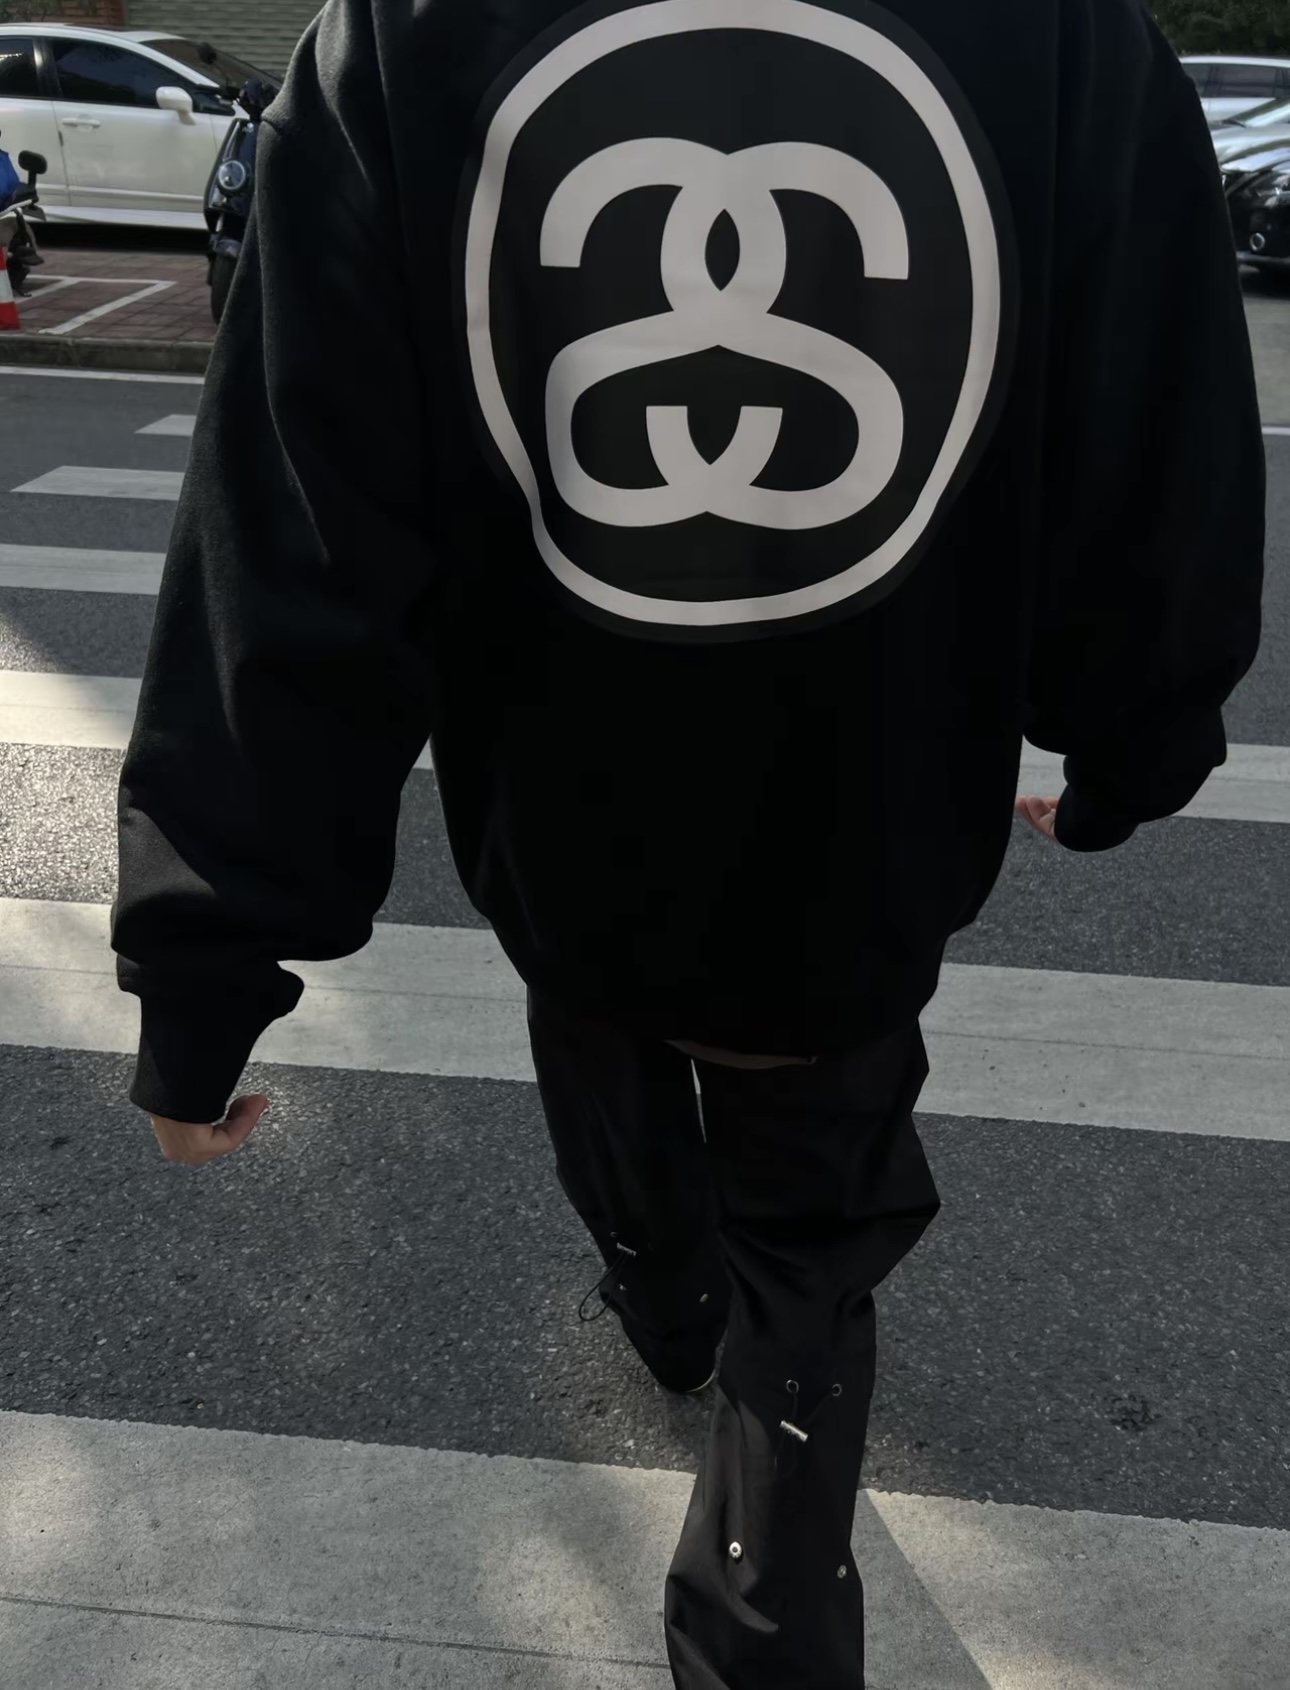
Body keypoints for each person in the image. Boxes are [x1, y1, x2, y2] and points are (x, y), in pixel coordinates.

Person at [112, 0, 1264, 1682]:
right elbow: (1152, 433)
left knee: (611, 1079)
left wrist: (203, 961)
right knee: (812, 1242)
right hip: (863, 828)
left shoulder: (405, 36)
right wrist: (1125, 750)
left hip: (569, 825)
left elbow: (296, 525)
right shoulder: (1063, 35)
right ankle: (765, 1540)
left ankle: (663, 1300)